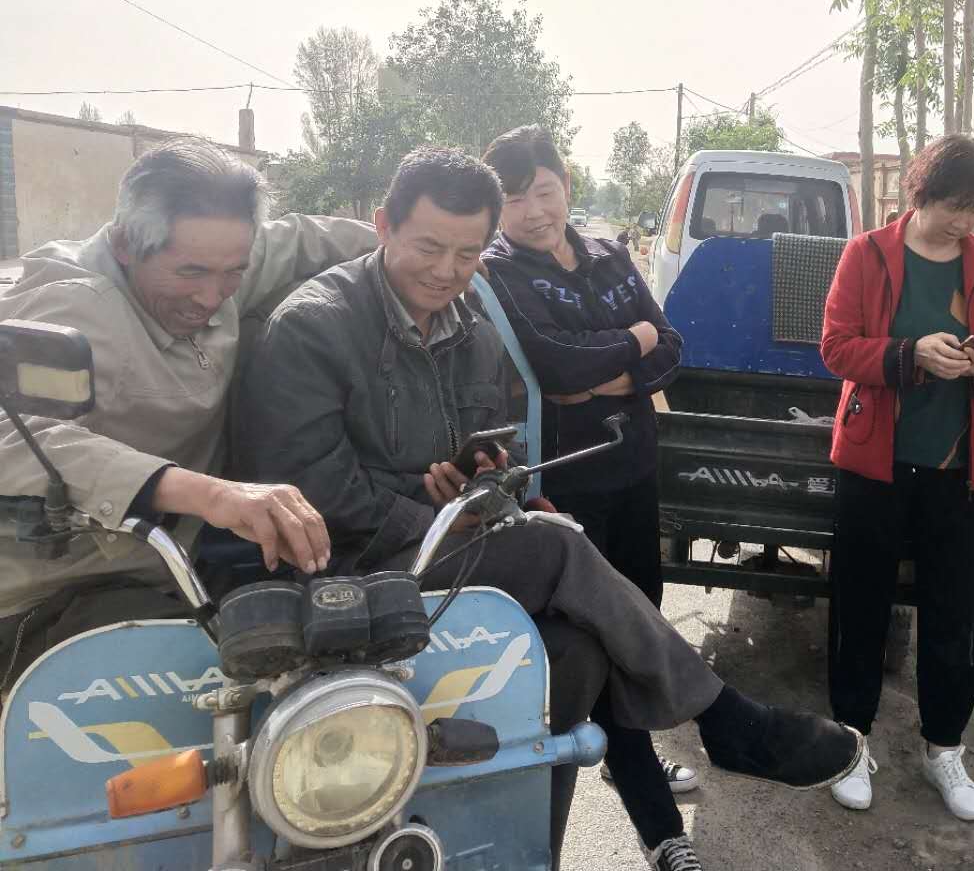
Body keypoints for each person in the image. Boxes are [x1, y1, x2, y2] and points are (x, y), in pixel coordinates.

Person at [236, 149, 864, 871]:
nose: (446, 271)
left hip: (446, 542)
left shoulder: (473, 322)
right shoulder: (313, 327)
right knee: (555, 545)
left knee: (579, 652)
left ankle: (539, 851)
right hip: (351, 565)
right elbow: (310, 491)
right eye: (429, 248)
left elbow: (491, 436)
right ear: (383, 226)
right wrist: (429, 508)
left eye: (466, 254)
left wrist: (484, 473)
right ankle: (725, 719)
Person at [0, 138, 376, 690]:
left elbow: (303, 239)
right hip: (52, 594)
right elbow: (11, 434)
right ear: (126, 244)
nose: (211, 297)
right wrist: (211, 494)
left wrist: (423, 257)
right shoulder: (67, 305)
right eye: (190, 273)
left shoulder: (214, 258)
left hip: (175, 569)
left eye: (233, 273)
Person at [478, 127, 700, 869]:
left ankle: (629, 752)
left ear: (565, 183)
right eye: (515, 200)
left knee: (644, 614)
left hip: (635, 469)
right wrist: (633, 342)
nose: (535, 211)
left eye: (544, 190)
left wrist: (618, 363)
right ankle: (655, 818)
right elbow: (555, 365)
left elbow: (672, 346)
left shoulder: (608, 254)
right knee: (597, 640)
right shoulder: (499, 272)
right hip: (568, 482)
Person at [819, 134, 974, 821]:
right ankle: (852, 742)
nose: (964, 221)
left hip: (957, 469)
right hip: (874, 464)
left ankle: (945, 748)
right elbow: (837, 349)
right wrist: (910, 354)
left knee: (952, 611)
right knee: (861, 606)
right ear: (921, 193)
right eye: (953, 205)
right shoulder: (867, 254)